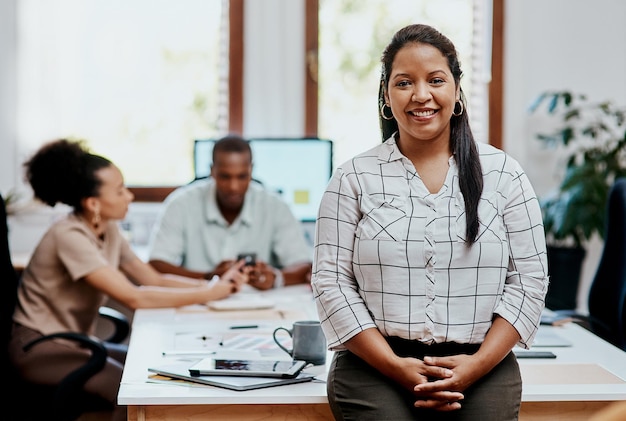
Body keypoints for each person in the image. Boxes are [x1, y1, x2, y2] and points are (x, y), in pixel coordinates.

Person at [311, 24, 549, 421]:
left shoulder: (504, 174)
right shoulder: (353, 177)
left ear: (456, 89)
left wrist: (475, 367)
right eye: (405, 83)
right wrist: (394, 366)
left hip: (482, 362)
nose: (421, 95)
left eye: (435, 80)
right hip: (375, 364)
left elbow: (530, 279)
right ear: (387, 95)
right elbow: (330, 281)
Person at [8, 139, 249, 421]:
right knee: (131, 388)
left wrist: (216, 284)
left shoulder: (107, 229)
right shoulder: (68, 236)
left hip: (72, 343)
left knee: (150, 366)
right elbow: (134, 296)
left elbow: (152, 278)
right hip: (39, 347)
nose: (130, 196)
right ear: (93, 203)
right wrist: (211, 293)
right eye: (120, 190)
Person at [148, 134, 312, 290]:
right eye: (225, 177)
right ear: (212, 171)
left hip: (262, 307)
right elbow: (157, 265)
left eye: (242, 176)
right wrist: (208, 277)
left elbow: (304, 265)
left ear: (251, 170)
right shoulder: (181, 204)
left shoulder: (276, 206)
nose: (234, 187)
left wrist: (275, 278)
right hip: (199, 303)